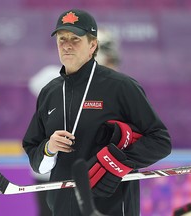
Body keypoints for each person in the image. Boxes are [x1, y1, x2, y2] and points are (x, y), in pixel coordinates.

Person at [22, 9, 171, 216]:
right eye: (62, 39)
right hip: (63, 207)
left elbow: (160, 141)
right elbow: (34, 151)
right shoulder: (50, 92)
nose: (67, 45)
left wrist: (116, 161)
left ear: (93, 45)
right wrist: (49, 148)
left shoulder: (121, 87)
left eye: (75, 39)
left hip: (112, 207)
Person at [28, 28, 121, 216]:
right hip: (52, 172)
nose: (112, 67)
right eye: (108, 60)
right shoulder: (54, 78)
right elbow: (37, 83)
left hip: (86, 174)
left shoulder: (113, 86)